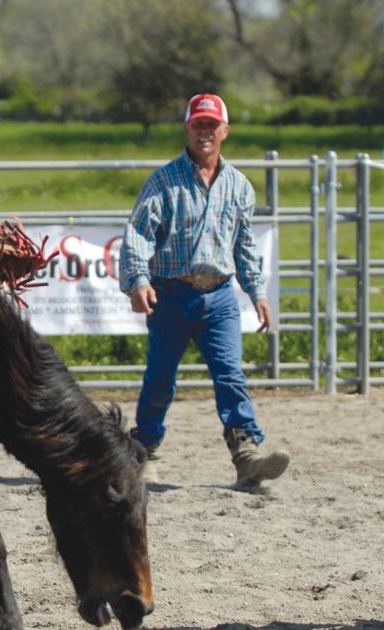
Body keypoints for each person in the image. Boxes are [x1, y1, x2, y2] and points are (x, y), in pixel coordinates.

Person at [119, 93, 290, 488]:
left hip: (221, 296)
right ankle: (144, 452)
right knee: (160, 378)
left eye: (212, 125)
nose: (205, 132)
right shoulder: (163, 182)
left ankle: (246, 453)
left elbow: (243, 245)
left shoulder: (239, 187)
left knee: (230, 374)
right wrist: (139, 280)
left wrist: (257, 292)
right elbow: (139, 235)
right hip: (171, 293)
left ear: (224, 131)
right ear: (187, 129)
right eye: (199, 125)